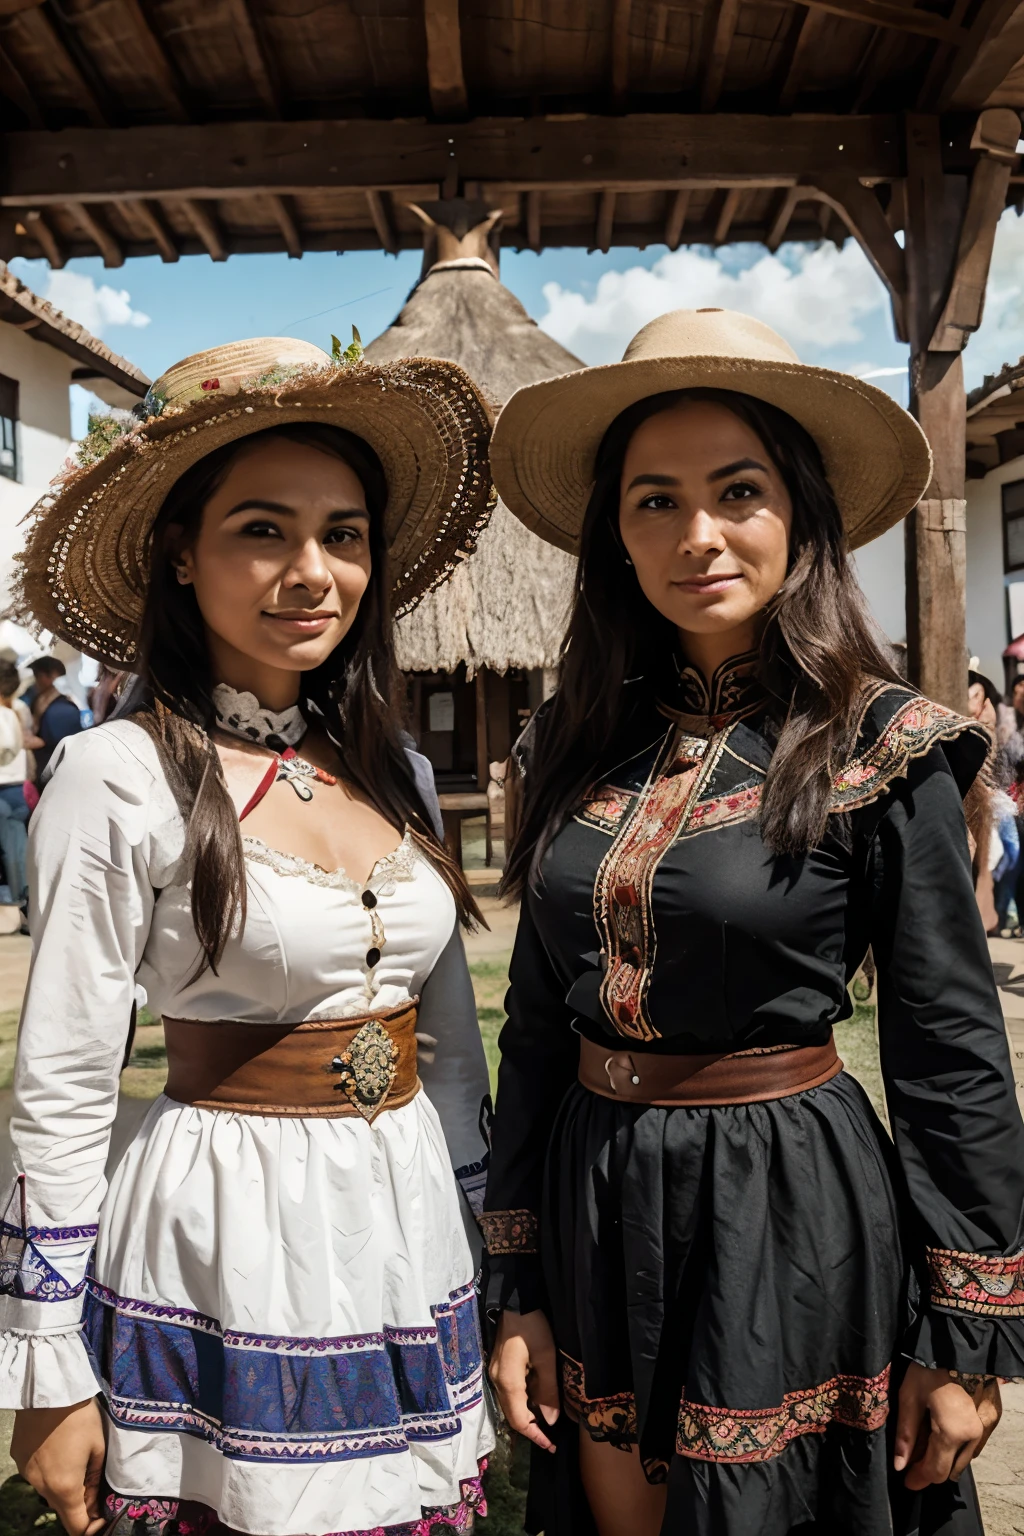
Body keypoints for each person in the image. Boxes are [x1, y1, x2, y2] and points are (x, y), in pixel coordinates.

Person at [482, 310, 1024, 1536]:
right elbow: (528, 1028)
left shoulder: (887, 746)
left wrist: (967, 1333)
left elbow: (950, 1054)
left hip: (784, 1201)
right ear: (614, 537)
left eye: (738, 490)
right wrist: (513, 1278)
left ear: (801, 514)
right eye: (654, 502)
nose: (698, 535)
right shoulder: (571, 745)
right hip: (591, 1187)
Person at [0, 338, 496, 1536]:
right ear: (182, 552)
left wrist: (492, 1239)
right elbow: (67, 1075)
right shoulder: (116, 775)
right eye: (262, 530)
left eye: (344, 535)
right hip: (227, 1231)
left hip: (405, 1221)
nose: (312, 572)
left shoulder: (398, 772)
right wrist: (46, 1363)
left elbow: (449, 1043)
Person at [0, 659, 37, 919]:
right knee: (17, 849)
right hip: (17, 788)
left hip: (3, 788)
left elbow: (5, 745)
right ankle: (24, 907)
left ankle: (17, 907)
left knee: (12, 850)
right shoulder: (17, 710)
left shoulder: (5, 714)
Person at [23, 656, 83, 778]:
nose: (36, 681)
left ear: (51, 676)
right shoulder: (43, 702)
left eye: (37, 675)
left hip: (55, 776)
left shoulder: (60, 711)